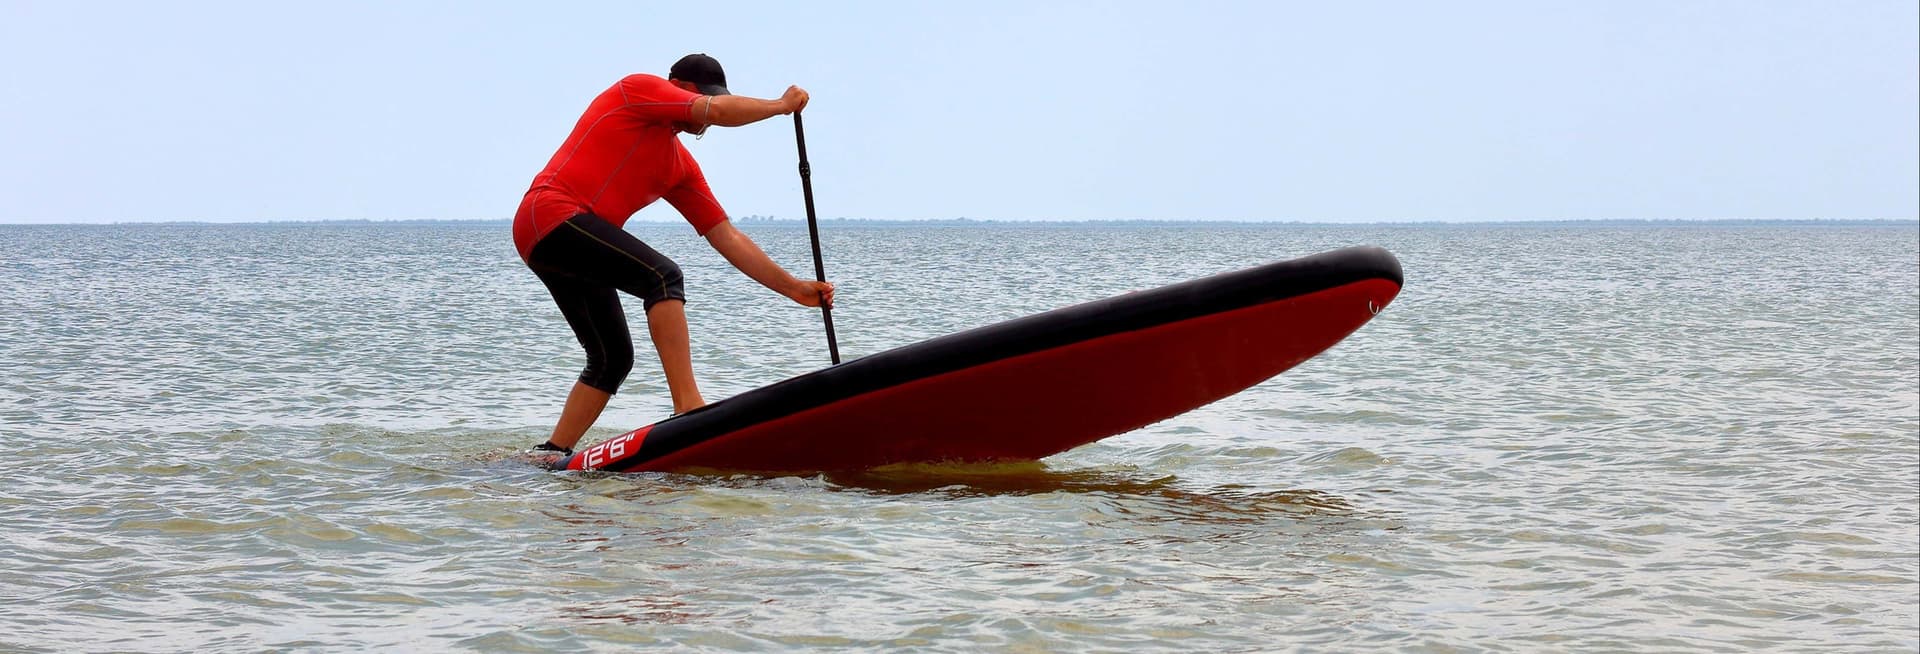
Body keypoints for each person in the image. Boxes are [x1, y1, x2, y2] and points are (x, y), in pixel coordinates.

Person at [512, 53, 835, 457]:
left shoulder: (680, 166)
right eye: (704, 98)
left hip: (555, 241)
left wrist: (793, 288)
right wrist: (780, 106)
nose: (704, 121)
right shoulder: (636, 90)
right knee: (663, 277)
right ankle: (688, 406)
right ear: (679, 88)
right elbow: (715, 110)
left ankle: (553, 453)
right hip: (551, 213)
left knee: (613, 358)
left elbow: (727, 236)